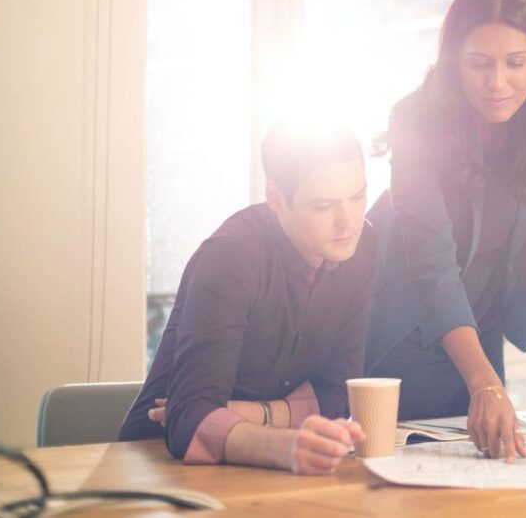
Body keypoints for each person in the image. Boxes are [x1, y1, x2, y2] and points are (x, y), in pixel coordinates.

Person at [365, 0, 526, 463]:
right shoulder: (416, 118)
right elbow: (432, 262)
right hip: (403, 326)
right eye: (479, 63)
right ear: (453, 60)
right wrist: (485, 384)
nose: (498, 82)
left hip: (480, 325)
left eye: (516, 63)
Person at [119, 123, 376, 473]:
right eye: (323, 206)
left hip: (267, 467)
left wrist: (253, 415)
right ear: (275, 197)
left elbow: (338, 394)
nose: (349, 222)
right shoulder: (232, 255)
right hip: (157, 464)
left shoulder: (359, 249)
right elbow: (189, 419)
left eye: (358, 197)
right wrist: (285, 442)